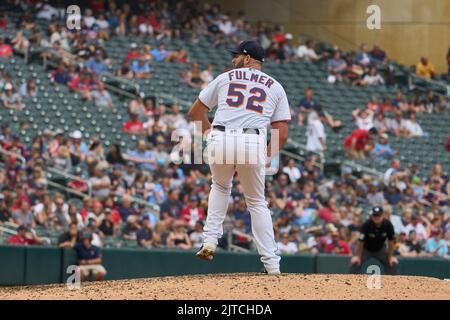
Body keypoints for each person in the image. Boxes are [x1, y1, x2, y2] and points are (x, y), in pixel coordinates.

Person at [188, 40, 290, 274]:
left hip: (221, 135)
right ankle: (272, 264)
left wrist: (210, 137)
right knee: (256, 202)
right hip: (252, 140)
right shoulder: (275, 86)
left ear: (247, 58)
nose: (233, 59)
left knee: (220, 186)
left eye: (236, 55)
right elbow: (282, 134)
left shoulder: (225, 78)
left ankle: (210, 241)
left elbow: (195, 113)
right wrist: (266, 156)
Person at [349, 206, 398, 275]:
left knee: (392, 263)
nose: (376, 217)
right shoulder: (366, 224)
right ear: (372, 216)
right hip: (366, 249)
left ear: (382, 215)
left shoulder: (388, 225)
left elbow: (391, 242)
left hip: (380, 249)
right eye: (374, 215)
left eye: (378, 215)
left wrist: (391, 256)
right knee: (355, 262)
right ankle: (349, 282)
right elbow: (360, 242)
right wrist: (358, 256)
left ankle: (395, 283)